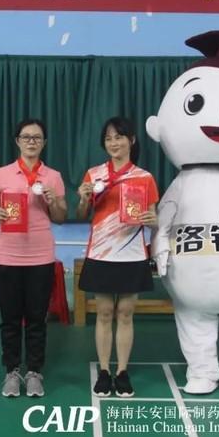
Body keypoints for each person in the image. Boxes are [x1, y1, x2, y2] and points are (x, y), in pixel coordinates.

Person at [0, 119, 67, 398]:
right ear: (17, 141)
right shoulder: (2, 174)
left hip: (40, 257)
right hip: (6, 256)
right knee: (9, 319)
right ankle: (11, 371)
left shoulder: (53, 176)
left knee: (36, 319)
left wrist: (53, 201)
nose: (32, 141)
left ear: (44, 143)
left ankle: (34, 372)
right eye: (26, 137)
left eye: (37, 137)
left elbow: (61, 217)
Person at [77, 117, 159, 398]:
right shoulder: (94, 174)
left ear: (131, 140)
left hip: (132, 253)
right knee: (103, 312)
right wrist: (83, 198)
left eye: (119, 137)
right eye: (109, 138)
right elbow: (82, 214)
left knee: (125, 313)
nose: (114, 143)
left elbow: (153, 217)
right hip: (101, 252)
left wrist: (153, 220)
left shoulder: (144, 177)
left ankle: (122, 371)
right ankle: (104, 371)